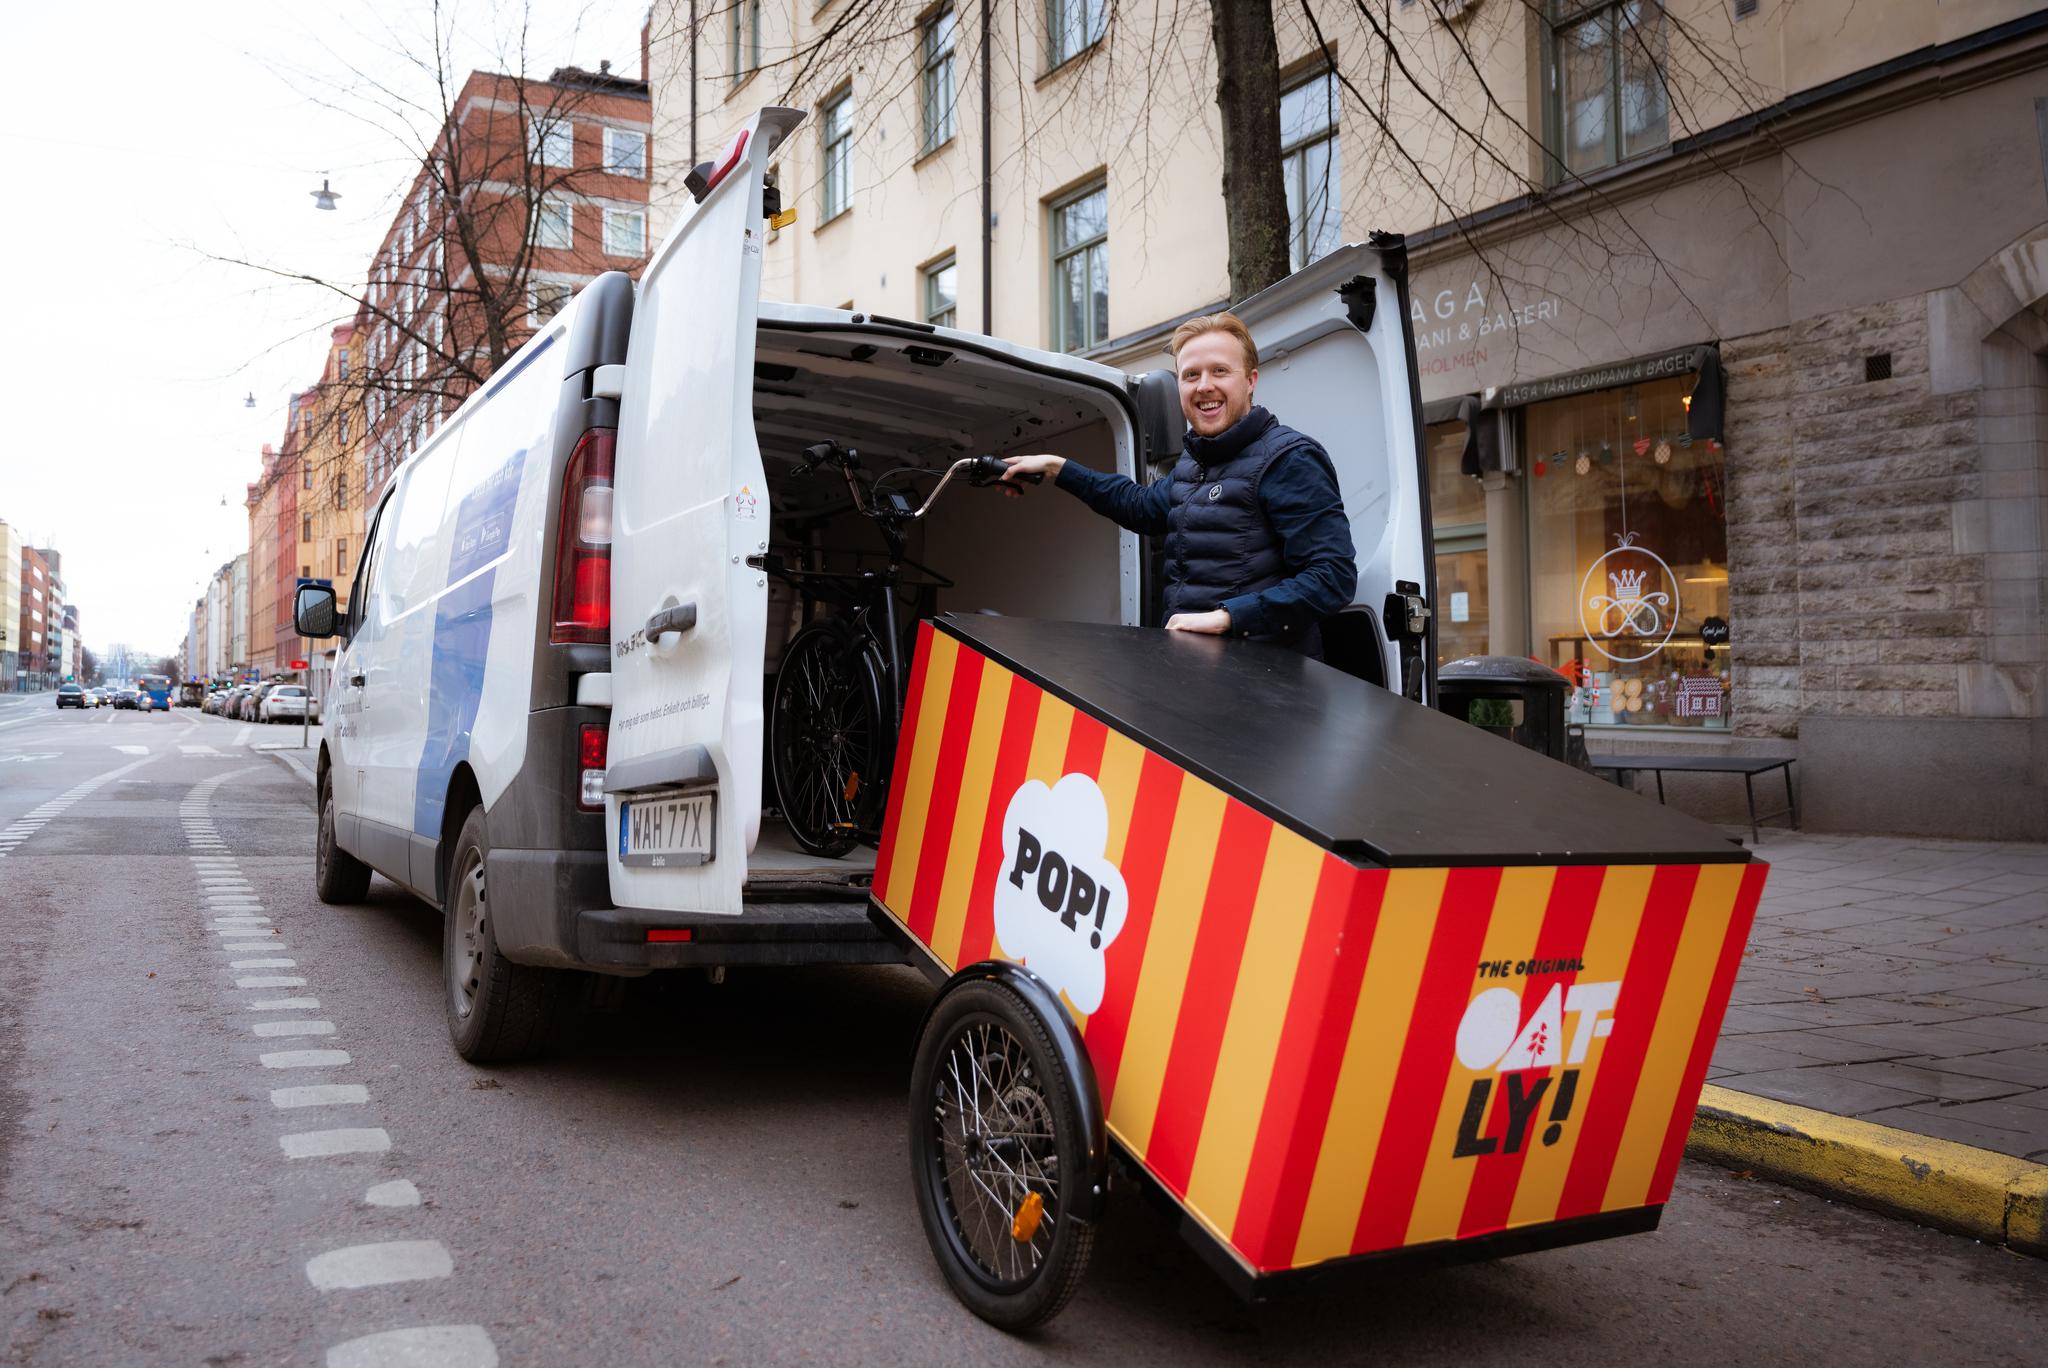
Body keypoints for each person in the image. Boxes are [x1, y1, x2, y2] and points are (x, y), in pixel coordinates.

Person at [1000, 312, 1356, 657]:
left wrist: (1228, 618)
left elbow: (1333, 578)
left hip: (1267, 680)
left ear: (1250, 381)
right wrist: (1058, 468)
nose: (1204, 386)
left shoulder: (1289, 458)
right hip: (1195, 668)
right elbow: (1140, 506)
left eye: (1220, 371)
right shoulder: (1196, 463)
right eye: (1191, 375)